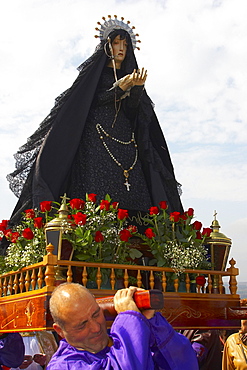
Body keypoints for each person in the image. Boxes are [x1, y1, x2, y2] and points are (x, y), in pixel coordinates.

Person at [7, 16, 183, 228]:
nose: (121, 49)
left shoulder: (130, 74)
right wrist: (119, 88)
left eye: (125, 45)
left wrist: (136, 88)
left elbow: (133, 111)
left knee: (135, 190)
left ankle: (135, 236)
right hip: (96, 140)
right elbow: (88, 101)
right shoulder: (95, 75)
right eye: (117, 43)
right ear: (107, 46)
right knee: (97, 191)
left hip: (126, 142)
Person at [47, 282, 198, 369]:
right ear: (60, 331)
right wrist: (129, 319)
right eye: (82, 325)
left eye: (96, 314)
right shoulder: (62, 365)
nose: (96, 328)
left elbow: (184, 364)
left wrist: (152, 322)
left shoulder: (122, 343)